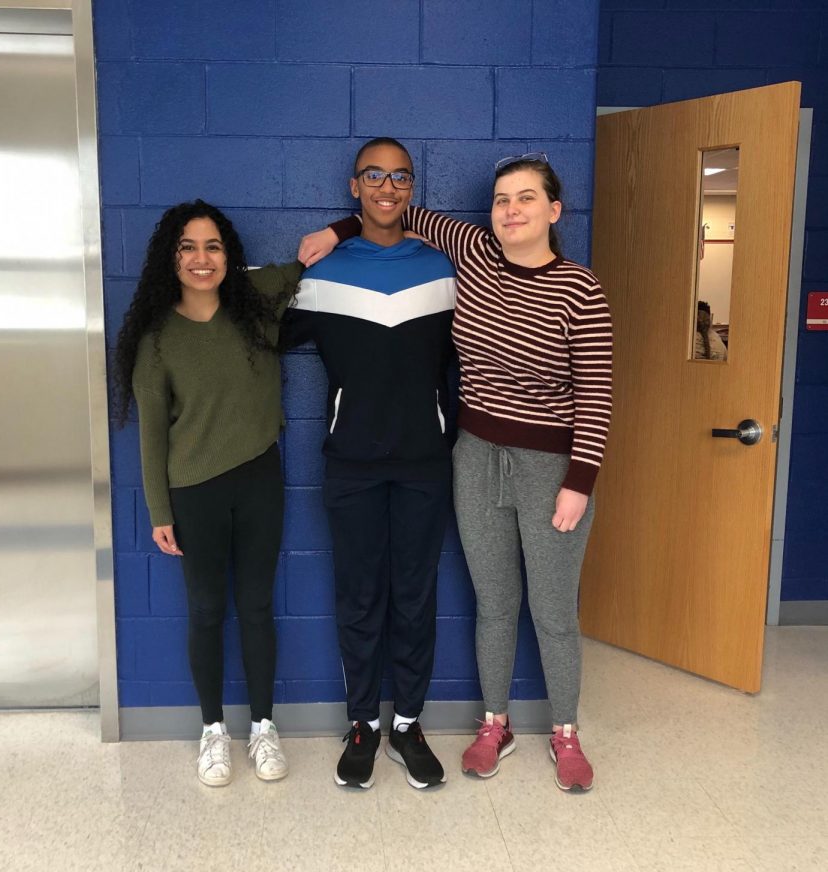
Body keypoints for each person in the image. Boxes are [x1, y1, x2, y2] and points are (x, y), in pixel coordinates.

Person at [300, 152, 613, 792]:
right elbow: (390, 209)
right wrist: (336, 230)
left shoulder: (582, 288)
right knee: (493, 604)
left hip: (551, 463)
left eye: (526, 199)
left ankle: (566, 733)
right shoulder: (469, 253)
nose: (511, 210)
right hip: (472, 454)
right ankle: (493, 725)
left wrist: (580, 482)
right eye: (502, 199)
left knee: (553, 609)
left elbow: (597, 393)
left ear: (554, 210)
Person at [113, 199, 353, 787]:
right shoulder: (156, 337)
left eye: (213, 246)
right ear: (170, 259)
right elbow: (151, 433)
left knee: (255, 607)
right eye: (188, 247)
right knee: (205, 611)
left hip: (259, 482)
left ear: (229, 256)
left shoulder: (258, 303)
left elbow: (307, 257)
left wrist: (344, 225)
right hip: (192, 490)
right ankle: (213, 731)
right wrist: (159, 510)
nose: (201, 259)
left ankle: (263, 728)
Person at [286, 138, 457, 790]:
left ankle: (408, 724)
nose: (388, 186)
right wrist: (336, 233)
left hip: (423, 465)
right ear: (354, 186)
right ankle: (363, 724)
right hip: (351, 464)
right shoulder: (323, 273)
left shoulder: (443, 269)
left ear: (412, 188)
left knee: (414, 599)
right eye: (374, 176)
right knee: (360, 599)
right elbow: (258, 324)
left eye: (401, 177)